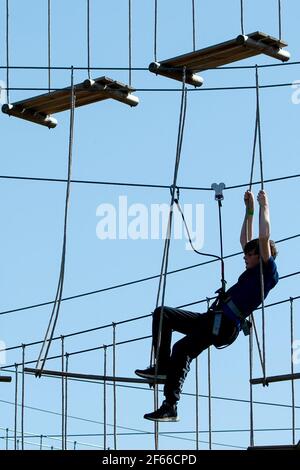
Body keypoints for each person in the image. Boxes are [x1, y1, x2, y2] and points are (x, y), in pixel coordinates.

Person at [135, 190, 279, 422]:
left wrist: (265, 206)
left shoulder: (268, 273)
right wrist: (249, 211)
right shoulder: (252, 270)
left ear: (262, 255)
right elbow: (247, 240)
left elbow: (263, 238)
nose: (245, 256)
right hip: (212, 319)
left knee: (182, 350)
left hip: (223, 326)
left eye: (249, 254)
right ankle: (162, 368)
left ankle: (170, 405)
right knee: (163, 315)